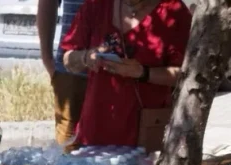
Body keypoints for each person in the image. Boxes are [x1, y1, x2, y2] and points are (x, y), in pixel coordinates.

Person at [59, 0, 192, 147]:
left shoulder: (174, 12)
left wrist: (142, 72)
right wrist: (86, 57)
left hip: (145, 134)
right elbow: (68, 60)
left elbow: (186, 74)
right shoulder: (95, 5)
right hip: (94, 131)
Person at [37, 0, 86, 149]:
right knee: (68, 152)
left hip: (116, 72)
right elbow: (47, 4)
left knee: (113, 154)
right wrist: (47, 58)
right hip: (71, 73)